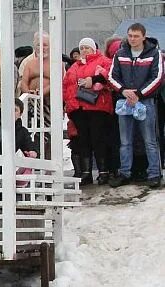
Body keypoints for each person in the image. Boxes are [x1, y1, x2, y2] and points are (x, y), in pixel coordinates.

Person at [108, 23, 162, 188]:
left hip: (145, 101)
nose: (132, 39)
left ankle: (154, 174)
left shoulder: (155, 53)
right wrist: (124, 91)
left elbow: (157, 77)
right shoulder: (120, 54)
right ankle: (125, 173)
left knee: (150, 140)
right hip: (125, 101)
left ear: (143, 37)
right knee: (125, 141)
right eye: (130, 35)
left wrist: (139, 94)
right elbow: (112, 76)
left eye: (136, 36)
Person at [63, 38, 117, 186]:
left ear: (94, 49)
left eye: (87, 47)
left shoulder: (104, 61)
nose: (84, 50)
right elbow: (66, 86)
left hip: (98, 107)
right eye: (82, 48)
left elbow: (111, 77)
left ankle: (103, 172)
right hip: (78, 109)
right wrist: (68, 105)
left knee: (98, 139)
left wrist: (92, 80)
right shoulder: (74, 67)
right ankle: (86, 173)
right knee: (83, 141)